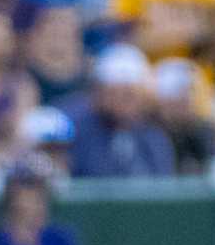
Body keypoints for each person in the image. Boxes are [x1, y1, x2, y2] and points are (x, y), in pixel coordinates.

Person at [68, 43, 177, 179]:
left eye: (129, 94)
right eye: (115, 93)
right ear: (99, 92)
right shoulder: (75, 132)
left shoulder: (155, 136)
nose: (123, 103)